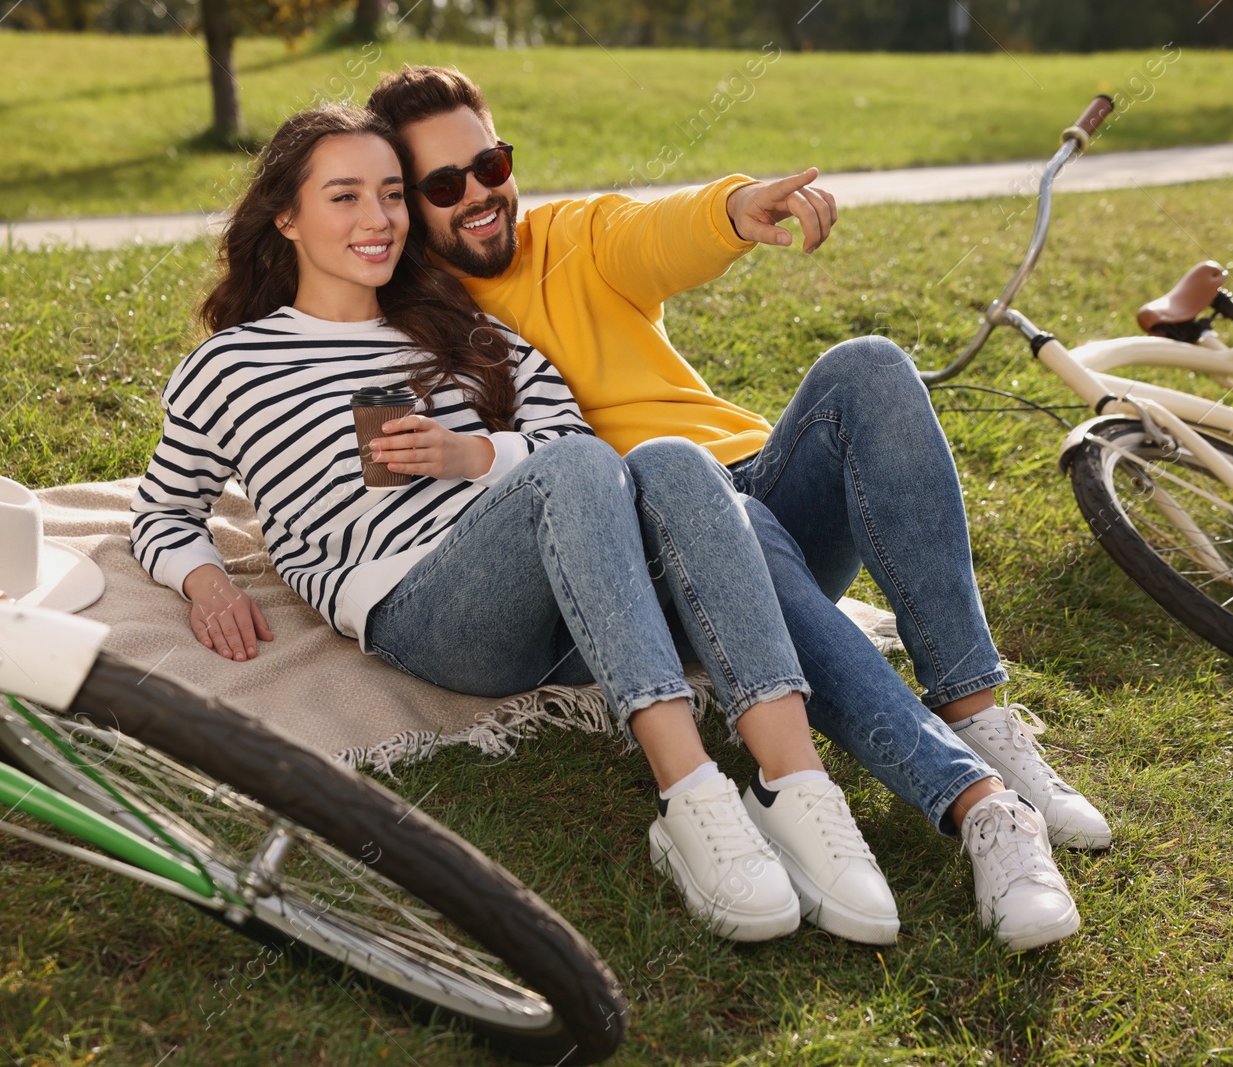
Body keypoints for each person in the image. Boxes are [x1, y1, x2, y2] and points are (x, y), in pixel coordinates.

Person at [366, 66, 1109, 952]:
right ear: (406, 205)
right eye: (446, 185)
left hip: (749, 476)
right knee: (734, 521)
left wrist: (734, 209)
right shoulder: (412, 327)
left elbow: (655, 235)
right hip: (655, 546)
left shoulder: (571, 235)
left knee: (868, 366)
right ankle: (982, 810)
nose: (482, 195)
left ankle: (979, 718)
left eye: (492, 164)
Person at [129, 104, 900, 946]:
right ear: (287, 215)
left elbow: (577, 444)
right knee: (573, 472)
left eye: (391, 194)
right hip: (427, 612)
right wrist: (203, 580)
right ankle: (690, 799)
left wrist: (472, 457)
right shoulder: (233, 365)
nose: (378, 219)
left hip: (564, 599)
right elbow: (166, 507)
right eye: (343, 196)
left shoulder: (461, 327)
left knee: (677, 459)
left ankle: (797, 792)